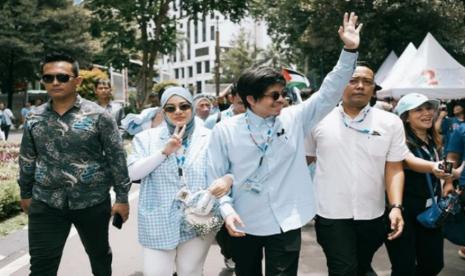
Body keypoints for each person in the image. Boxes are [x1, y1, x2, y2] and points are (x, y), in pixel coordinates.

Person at [207, 12, 362, 275]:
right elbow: (215, 176)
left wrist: (349, 50)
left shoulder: (294, 118)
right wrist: (226, 211)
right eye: (274, 95)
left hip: (287, 219)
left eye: (283, 93)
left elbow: (329, 92)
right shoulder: (225, 130)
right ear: (251, 100)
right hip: (243, 220)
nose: (282, 99)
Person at [18, 52, 131, 276]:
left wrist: (122, 198)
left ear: (77, 81)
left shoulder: (99, 116)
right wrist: (26, 194)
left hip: (92, 202)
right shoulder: (34, 118)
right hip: (46, 202)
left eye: (62, 77)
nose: (55, 82)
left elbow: (116, 158)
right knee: (41, 267)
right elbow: (27, 159)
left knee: (99, 257)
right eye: (48, 78)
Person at [127, 86, 233, 276]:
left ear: (191, 108)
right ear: (163, 111)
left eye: (184, 106)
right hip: (158, 218)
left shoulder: (209, 137)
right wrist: (164, 152)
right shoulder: (146, 138)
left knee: (190, 272)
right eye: (170, 108)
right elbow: (133, 173)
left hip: (199, 217)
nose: (178, 112)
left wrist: (227, 179)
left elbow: (225, 170)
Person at [385, 93, 447, 276]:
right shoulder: (399, 142)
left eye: (429, 108)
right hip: (403, 212)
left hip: (431, 211)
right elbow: (411, 161)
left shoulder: (433, 140)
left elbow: (442, 167)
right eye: (418, 109)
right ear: (405, 117)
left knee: (434, 265)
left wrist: (452, 176)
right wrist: (433, 166)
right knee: (404, 268)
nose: (427, 113)